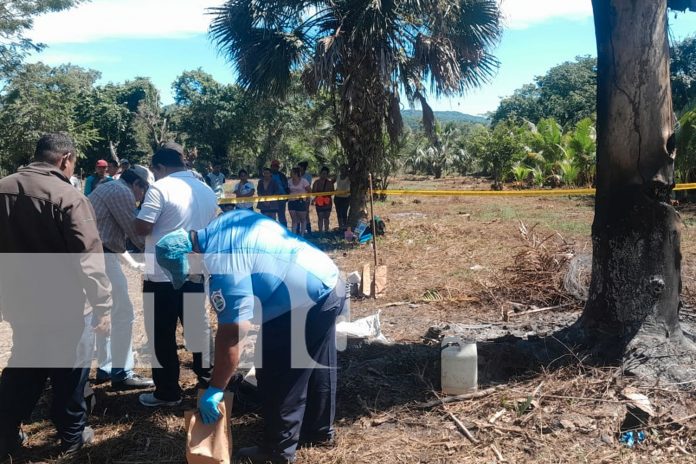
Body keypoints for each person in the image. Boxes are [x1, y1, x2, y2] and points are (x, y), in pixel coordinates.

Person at [154, 209, 345, 464]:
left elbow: (232, 336)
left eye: (188, 269)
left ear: (192, 254)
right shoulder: (223, 223)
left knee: (277, 372)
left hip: (302, 301)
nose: (193, 276)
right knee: (316, 361)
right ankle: (319, 432)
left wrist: (215, 389)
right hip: (327, 282)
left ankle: (277, 452)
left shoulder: (222, 263)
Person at [0, 133, 112, 457]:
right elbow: (88, 259)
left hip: (19, 303)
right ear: (65, 159)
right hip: (66, 306)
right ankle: (72, 441)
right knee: (70, 373)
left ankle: (6, 432)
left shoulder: (3, 188)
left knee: (24, 366)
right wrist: (103, 306)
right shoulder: (69, 196)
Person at [135, 142, 218, 407]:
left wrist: (134, 216)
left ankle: (167, 392)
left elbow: (143, 227)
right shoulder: (205, 190)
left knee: (162, 335)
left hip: (162, 275)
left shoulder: (159, 188)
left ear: (159, 167)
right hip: (195, 270)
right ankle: (207, 381)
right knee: (197, 329)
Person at [88, 166, 155, 389]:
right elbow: (135, 232)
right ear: (137, 185)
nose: (141, 198)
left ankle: (106, 367)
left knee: (104, 312)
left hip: (94, 256)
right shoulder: (121, 192)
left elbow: (115, 238)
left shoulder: (109, 188)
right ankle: (121, 371)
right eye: (143, 192)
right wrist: (162, 255)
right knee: (123, 313)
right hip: (101, 257)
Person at [287, 167, 311, 236]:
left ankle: (302, 235)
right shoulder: (289, 181)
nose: (290, 174)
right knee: (294, 220)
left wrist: (307, 199)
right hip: (291, 202)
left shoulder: (304, 181)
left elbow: (309, 190)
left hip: (301, 202)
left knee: (303, 219)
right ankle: (294, 234)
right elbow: (288, 191)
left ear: (296, 173)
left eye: (292, 172)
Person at [312, 166, 334, 233]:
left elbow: (332, 192)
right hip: (319, 202)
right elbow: (314, 192)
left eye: (325, 174)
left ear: (327, 174)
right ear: (320, 173)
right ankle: (320, 232)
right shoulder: (316, 182)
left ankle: (326, 231)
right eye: (323, 173)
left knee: (327, 218)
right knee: (320, 218)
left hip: (328, 202)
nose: (324, 175)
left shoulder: (330, 183)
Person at [270, 159, 289, 228]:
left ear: (278, 167)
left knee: (281, 216)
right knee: (272, 216)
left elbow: (286, 186)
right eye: (273, 166)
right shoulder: (268, 175)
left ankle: (285, 231)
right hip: (271, 199)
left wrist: (286, 197)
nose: (275, 167)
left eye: (276, 166)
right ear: (271, 167)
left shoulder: (282, 175)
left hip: (281, 198)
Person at [334, 164, 351, 230]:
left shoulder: (349, 177)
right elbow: (331, 182)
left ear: (347, 170)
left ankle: (345, 226)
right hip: (337, 197)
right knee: (338, 212)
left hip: (346, 197)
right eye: (341, 169)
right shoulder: (338, 176)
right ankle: (340, 226)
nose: (342, 170)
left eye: (343, 169)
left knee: (344, 212)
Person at [298, 161, 313, 233]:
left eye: (299, 168)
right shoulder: (296, 175)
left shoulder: (308, 176)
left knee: (306, 213)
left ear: (303, 168)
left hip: (306, 197)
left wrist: (307, 198)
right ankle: (298, 229)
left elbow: (308, 187)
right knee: (297, 213)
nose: (298, 169)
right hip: (297, 197)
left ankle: (308, 229)